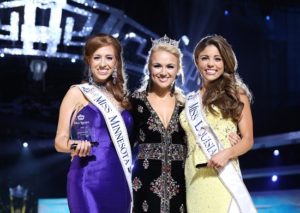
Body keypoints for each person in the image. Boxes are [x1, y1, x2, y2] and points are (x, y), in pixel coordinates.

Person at [54, 33, 133, 213]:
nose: (103, 63)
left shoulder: (124, 100)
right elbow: (60, 141)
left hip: (119, 180)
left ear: (116, 63)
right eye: (97, 57)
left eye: (109, 58)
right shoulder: (77, 93)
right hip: (87, 178)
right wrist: (76, 145)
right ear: (89, 60)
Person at [180, 34, 256, 212]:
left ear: (225, 62)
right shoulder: (190, 100)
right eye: (204, 58)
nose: (210, 64)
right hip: (194, 179)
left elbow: (248, 139)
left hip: (223, 177)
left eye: (217, 58)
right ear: (197, 61)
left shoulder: (236, 95)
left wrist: (228, 152)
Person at [130, 35, 187, 212]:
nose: (163, 72)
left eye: (170, 66)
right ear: (148, 67)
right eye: (157, 66)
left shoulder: (187, 105)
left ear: (178, 69)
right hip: (144, 185)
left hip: (181, 184)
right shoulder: (133, 102)